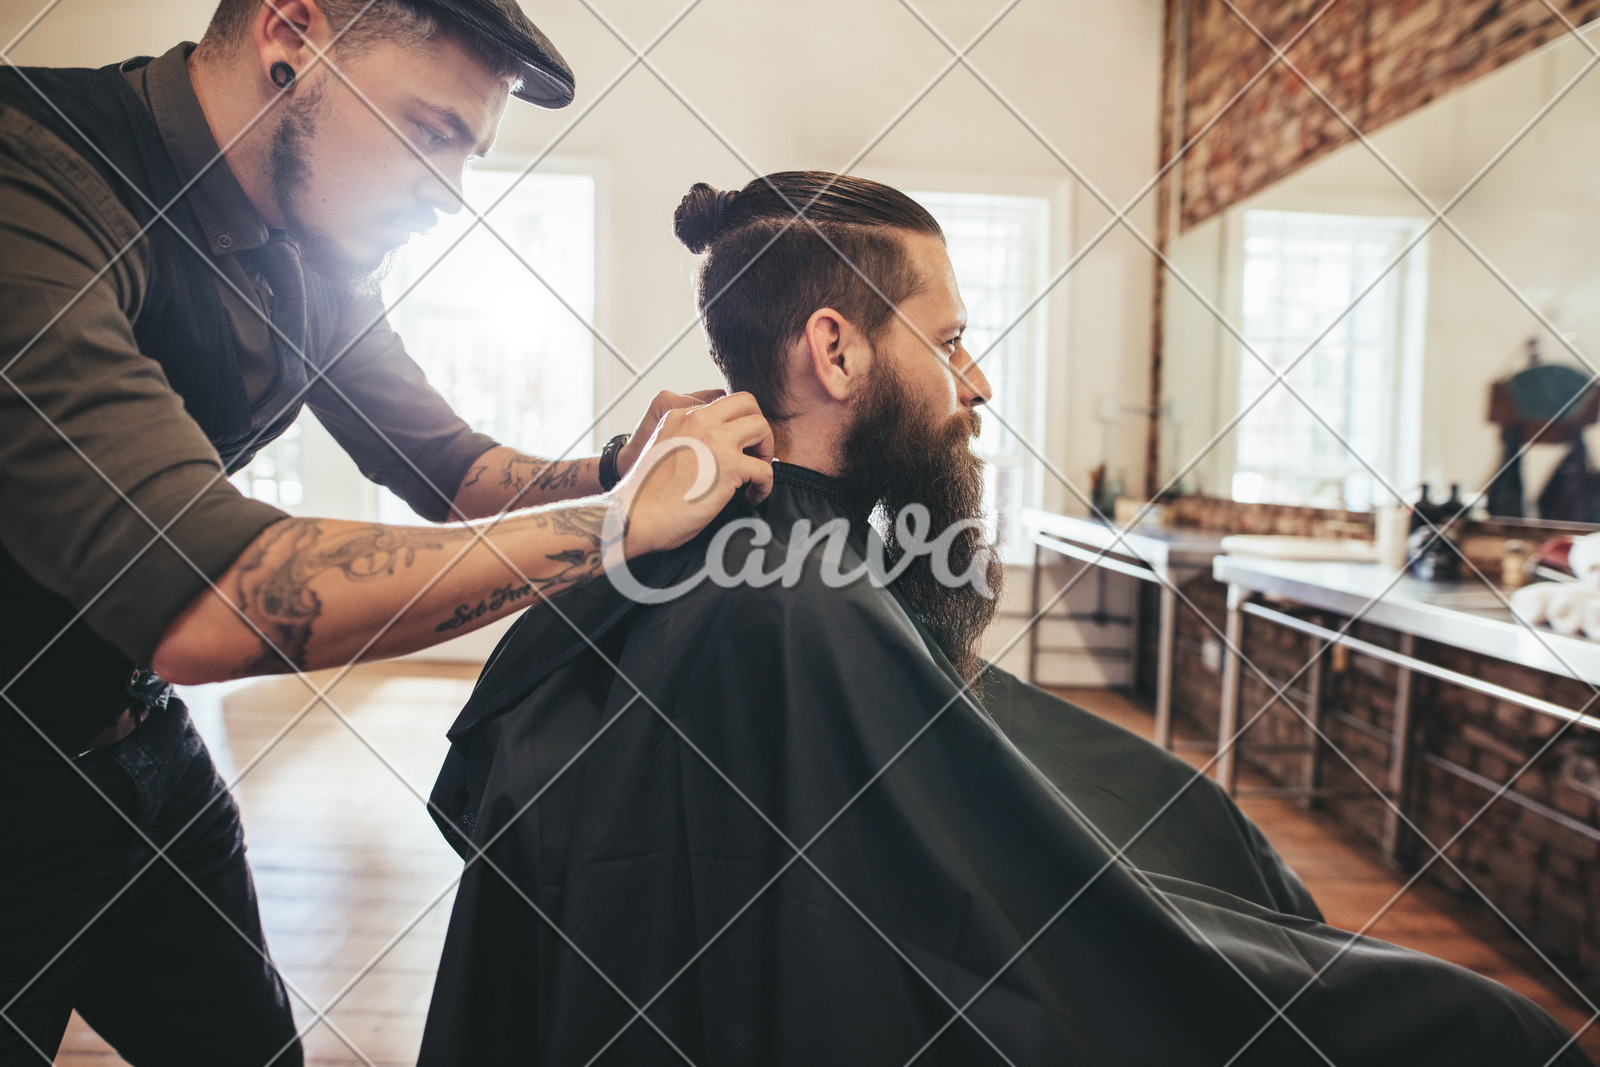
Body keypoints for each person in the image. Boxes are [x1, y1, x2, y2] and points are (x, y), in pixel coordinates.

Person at [420, 170, 1590, 1066]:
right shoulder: (786, 605)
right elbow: (966, 935)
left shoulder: (754, 566)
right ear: (834, 348)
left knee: (1198, 828)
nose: (974, 383)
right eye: (948, 342)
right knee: (1485, 1030)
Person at [0, 1, 773, 1063]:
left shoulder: (310, 250)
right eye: (429, 130)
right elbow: (205, 596)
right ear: (292, 35)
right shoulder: (32, 180)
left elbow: (456, 471)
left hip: (128, 743)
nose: (451, 193)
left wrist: (618, 472)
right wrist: (609, 528)